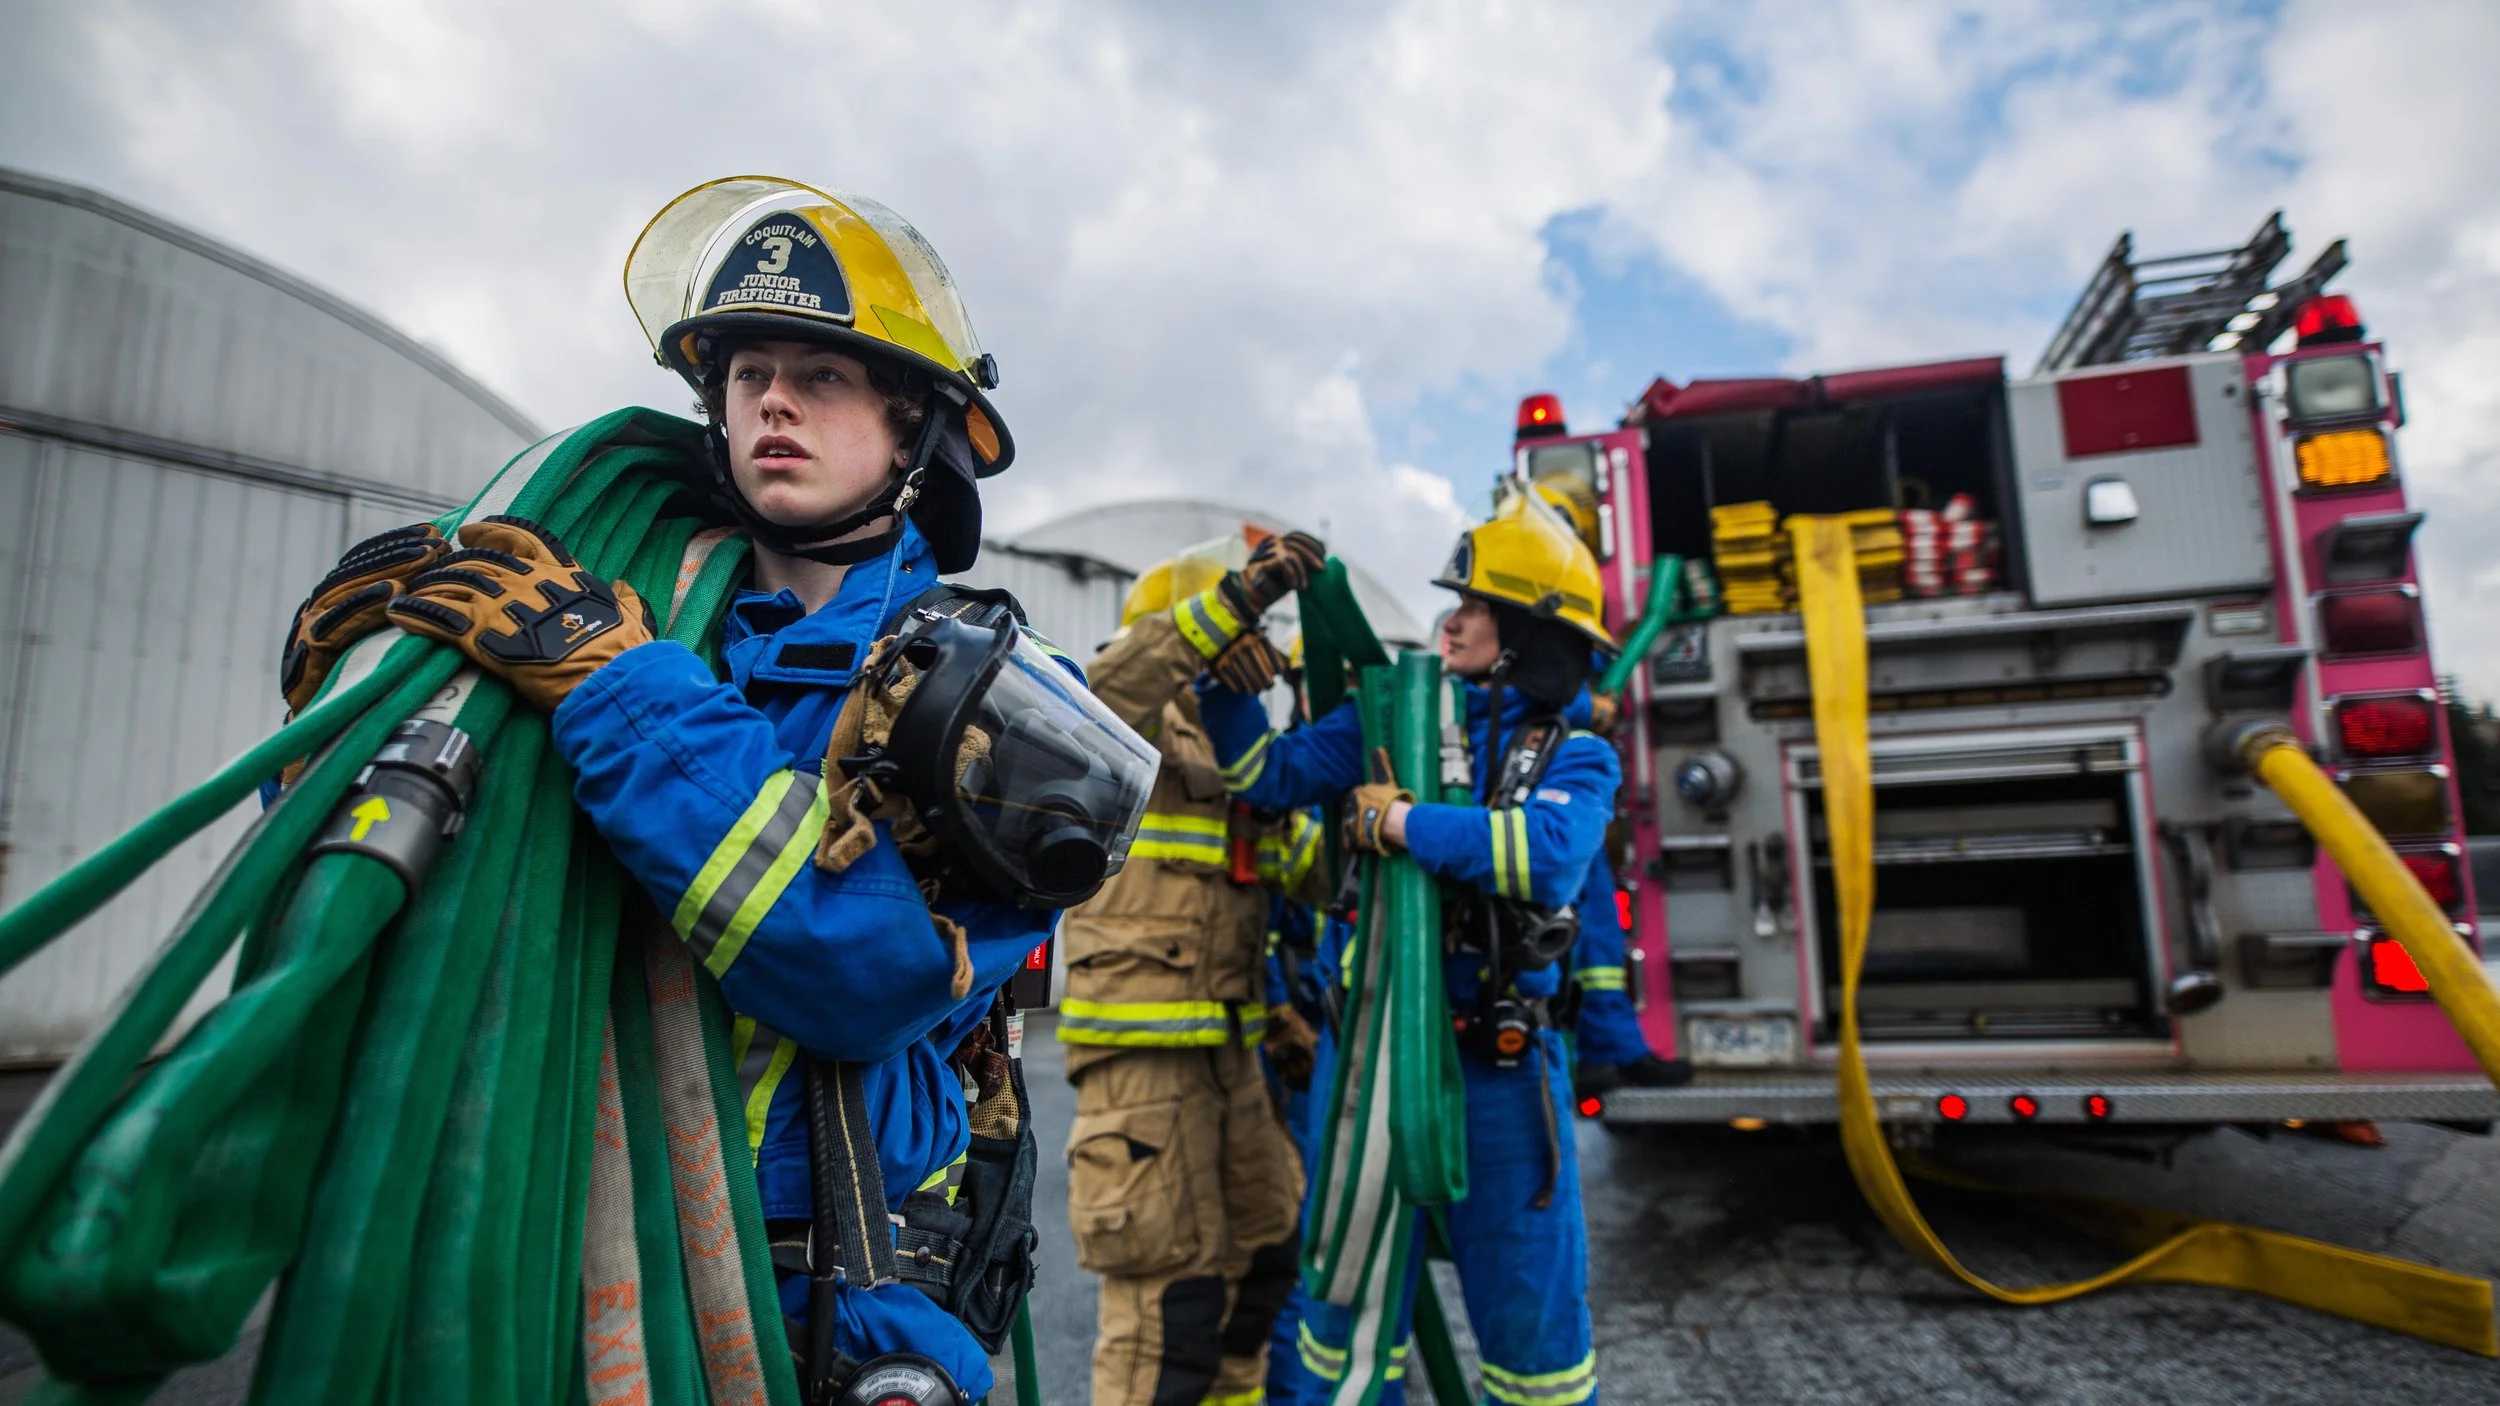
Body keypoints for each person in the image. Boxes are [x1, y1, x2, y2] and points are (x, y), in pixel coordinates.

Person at [276, 178, 1136, 1403]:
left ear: (917, 430)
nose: (774, 397)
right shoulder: (594, 631)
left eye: (824, 372)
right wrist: (349, 714)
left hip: (822, 1297)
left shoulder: (1006, 716)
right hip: (540, 1252)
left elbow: (857, 967)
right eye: (747, 373)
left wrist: (620, 691)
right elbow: (425, 920)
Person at [1198, 487, 1617, 1406]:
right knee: (1341, 1308)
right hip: (1372, 1060)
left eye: (1473, 605)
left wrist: (1404, 824)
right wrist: (1221, 693)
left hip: (1503, 1069)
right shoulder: (1387, 716)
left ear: (1528, 636)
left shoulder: (1576, 756)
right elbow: (1266, 777)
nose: (1450, 619)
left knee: (1532, 1326)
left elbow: (1544, 861)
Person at [1059, 534, 1331, 1406]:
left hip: (1227, 1052)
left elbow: (1307, 872)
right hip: (1141, 1064)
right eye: (1235, 631)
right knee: (1164, 1313)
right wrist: (1233, 604)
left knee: (1262, 1259)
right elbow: (1113, 682)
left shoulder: (1232, 735)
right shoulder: (1115, 718)